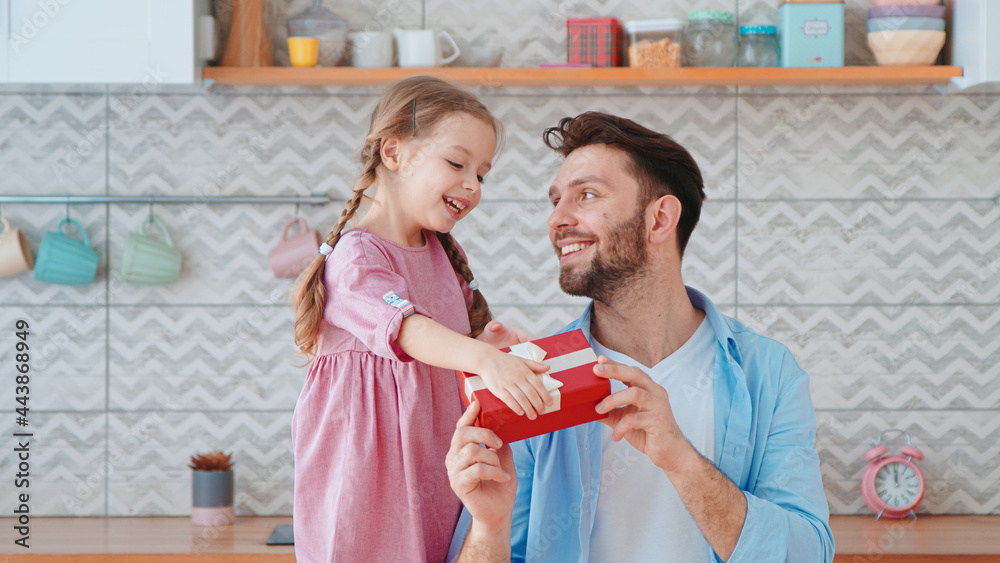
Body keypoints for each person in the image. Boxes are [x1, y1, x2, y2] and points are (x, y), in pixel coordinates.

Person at [445, 111, 835, 562]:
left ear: (660, 219)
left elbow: (808, 555)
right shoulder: (533, 376)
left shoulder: (766, 372)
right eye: (555, 201)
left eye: (585, 195)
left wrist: (680, 461)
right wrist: (489, 529)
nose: (557, 218)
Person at [290, 76, 554, 563]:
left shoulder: (442, 255)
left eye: (482, 173)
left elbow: (445, 346)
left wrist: (486, 344)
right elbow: (407, 330)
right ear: (393, 152)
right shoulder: (356, 257)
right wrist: (481, 357)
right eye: (456, 163)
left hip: (434, 471)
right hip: (367, 479)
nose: (472, 185)